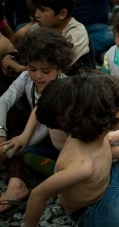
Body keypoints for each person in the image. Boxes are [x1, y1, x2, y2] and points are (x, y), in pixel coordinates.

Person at [24, 74, 119, 227]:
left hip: (108, 181)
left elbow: (104, 153)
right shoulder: (81, 167)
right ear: (104, 119)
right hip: (93, 207)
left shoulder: (96, 133)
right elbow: (38, 195)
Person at [0, 28, 72, 218]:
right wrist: (2, 133)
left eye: (45, 71)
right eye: (32, 69)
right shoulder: (26, 79)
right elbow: (3, 101)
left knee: (19, 148)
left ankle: (59, 174)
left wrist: (13, 145)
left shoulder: (64, 88)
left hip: (64, 141)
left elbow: (40, 116)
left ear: (59, 68)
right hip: (41, 135)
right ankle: (52, 172)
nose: (38, 75)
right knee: (26, 151)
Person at [2, 0, 95, 77]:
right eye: (36, 9)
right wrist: (12, 58)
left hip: (76, 84)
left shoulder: (76, 32)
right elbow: (26, 53)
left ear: (62, 14)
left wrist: (19, 68)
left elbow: (53, 68)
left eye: (42, 10)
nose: (36, 14)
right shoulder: (39, 27)